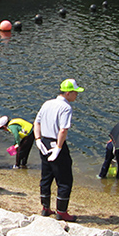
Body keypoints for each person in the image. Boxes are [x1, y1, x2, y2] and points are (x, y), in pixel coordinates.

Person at [33, 79, 84, 222]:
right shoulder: (66, 108)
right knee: (65, 179)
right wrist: (59, 148)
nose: (76, 95)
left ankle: (45, 207)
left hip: (44, 141)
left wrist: (38, 139)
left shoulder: (47, 103)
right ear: (68, 93)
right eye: (75, 93)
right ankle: (62, 212)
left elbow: (37, 122)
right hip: (56, 143)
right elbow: (63, 130)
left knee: (46, 176)